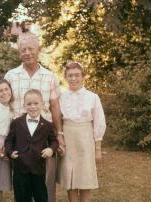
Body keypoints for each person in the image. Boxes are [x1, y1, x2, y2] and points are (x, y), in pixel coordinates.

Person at [4, 32, 65, 202]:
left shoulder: (50, 76)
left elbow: (55, 106)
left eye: (31, 48)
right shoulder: (10, 76)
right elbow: (4, 105)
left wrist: (59, 134)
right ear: (19, 53)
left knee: (45, 185)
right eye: (23, 50)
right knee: (22, 185)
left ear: (38, 50)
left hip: (43, 136)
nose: (27, 53)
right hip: (19, 137)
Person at [57, 62, 106, 202]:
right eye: (70, 75)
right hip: (68, 137)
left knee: (85, 178)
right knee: (70, 178)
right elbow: (57, 119)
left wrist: (98, 148)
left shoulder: (92, 97)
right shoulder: (61, 97)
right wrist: (59, 139)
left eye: (77, 75)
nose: (73, 79)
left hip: (85, 137)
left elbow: (99, 122)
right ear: (66, 77)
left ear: (83, 77)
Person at [4, 89, 59, 202]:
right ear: (24, 105)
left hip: (38, 168)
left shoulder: (47, 125)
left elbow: (54, 141)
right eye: (29, 104)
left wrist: (51, 149)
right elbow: (9, 140)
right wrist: (9, 152)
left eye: (36, 103)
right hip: (20, 168)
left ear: (42, 104)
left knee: (41, 197)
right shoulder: (16, 122)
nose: (32, 107)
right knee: (22, 198)